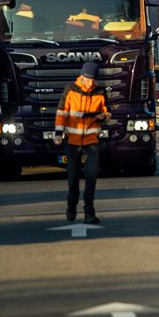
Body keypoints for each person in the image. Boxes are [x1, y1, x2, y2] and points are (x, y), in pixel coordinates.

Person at [55, 61, 109, 223]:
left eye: (93, 80)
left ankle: (89, 212)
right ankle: (71, 205)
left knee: (91, 177)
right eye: (88, 79)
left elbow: (107, 112)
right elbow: (61, 113)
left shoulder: (100, 92)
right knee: (73, 178)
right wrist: (58, 133)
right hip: (73, 141)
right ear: (82, 76)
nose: (91, 83)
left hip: (92, 140)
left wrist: (103, 117)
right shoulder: (71, 90)